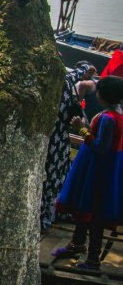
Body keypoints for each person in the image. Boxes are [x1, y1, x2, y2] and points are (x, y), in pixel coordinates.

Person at [53, 76, 123, 270]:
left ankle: (92, 258)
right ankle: (76, 243)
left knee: (93, 212)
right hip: (105, 168)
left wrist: (81, 130)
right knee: (86, 208)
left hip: (97, 169)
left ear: (101, 95)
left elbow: (101, 147)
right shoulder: (118, 114)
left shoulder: (108, 119)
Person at [41, 62, 95, 229]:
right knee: (53, 177)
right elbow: (83, 71)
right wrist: (87, 69)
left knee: (54, 175)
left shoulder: (50, 82)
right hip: (56, 139)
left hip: (51, 137)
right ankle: (49, 214)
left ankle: (51, 212)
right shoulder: (65, 81)